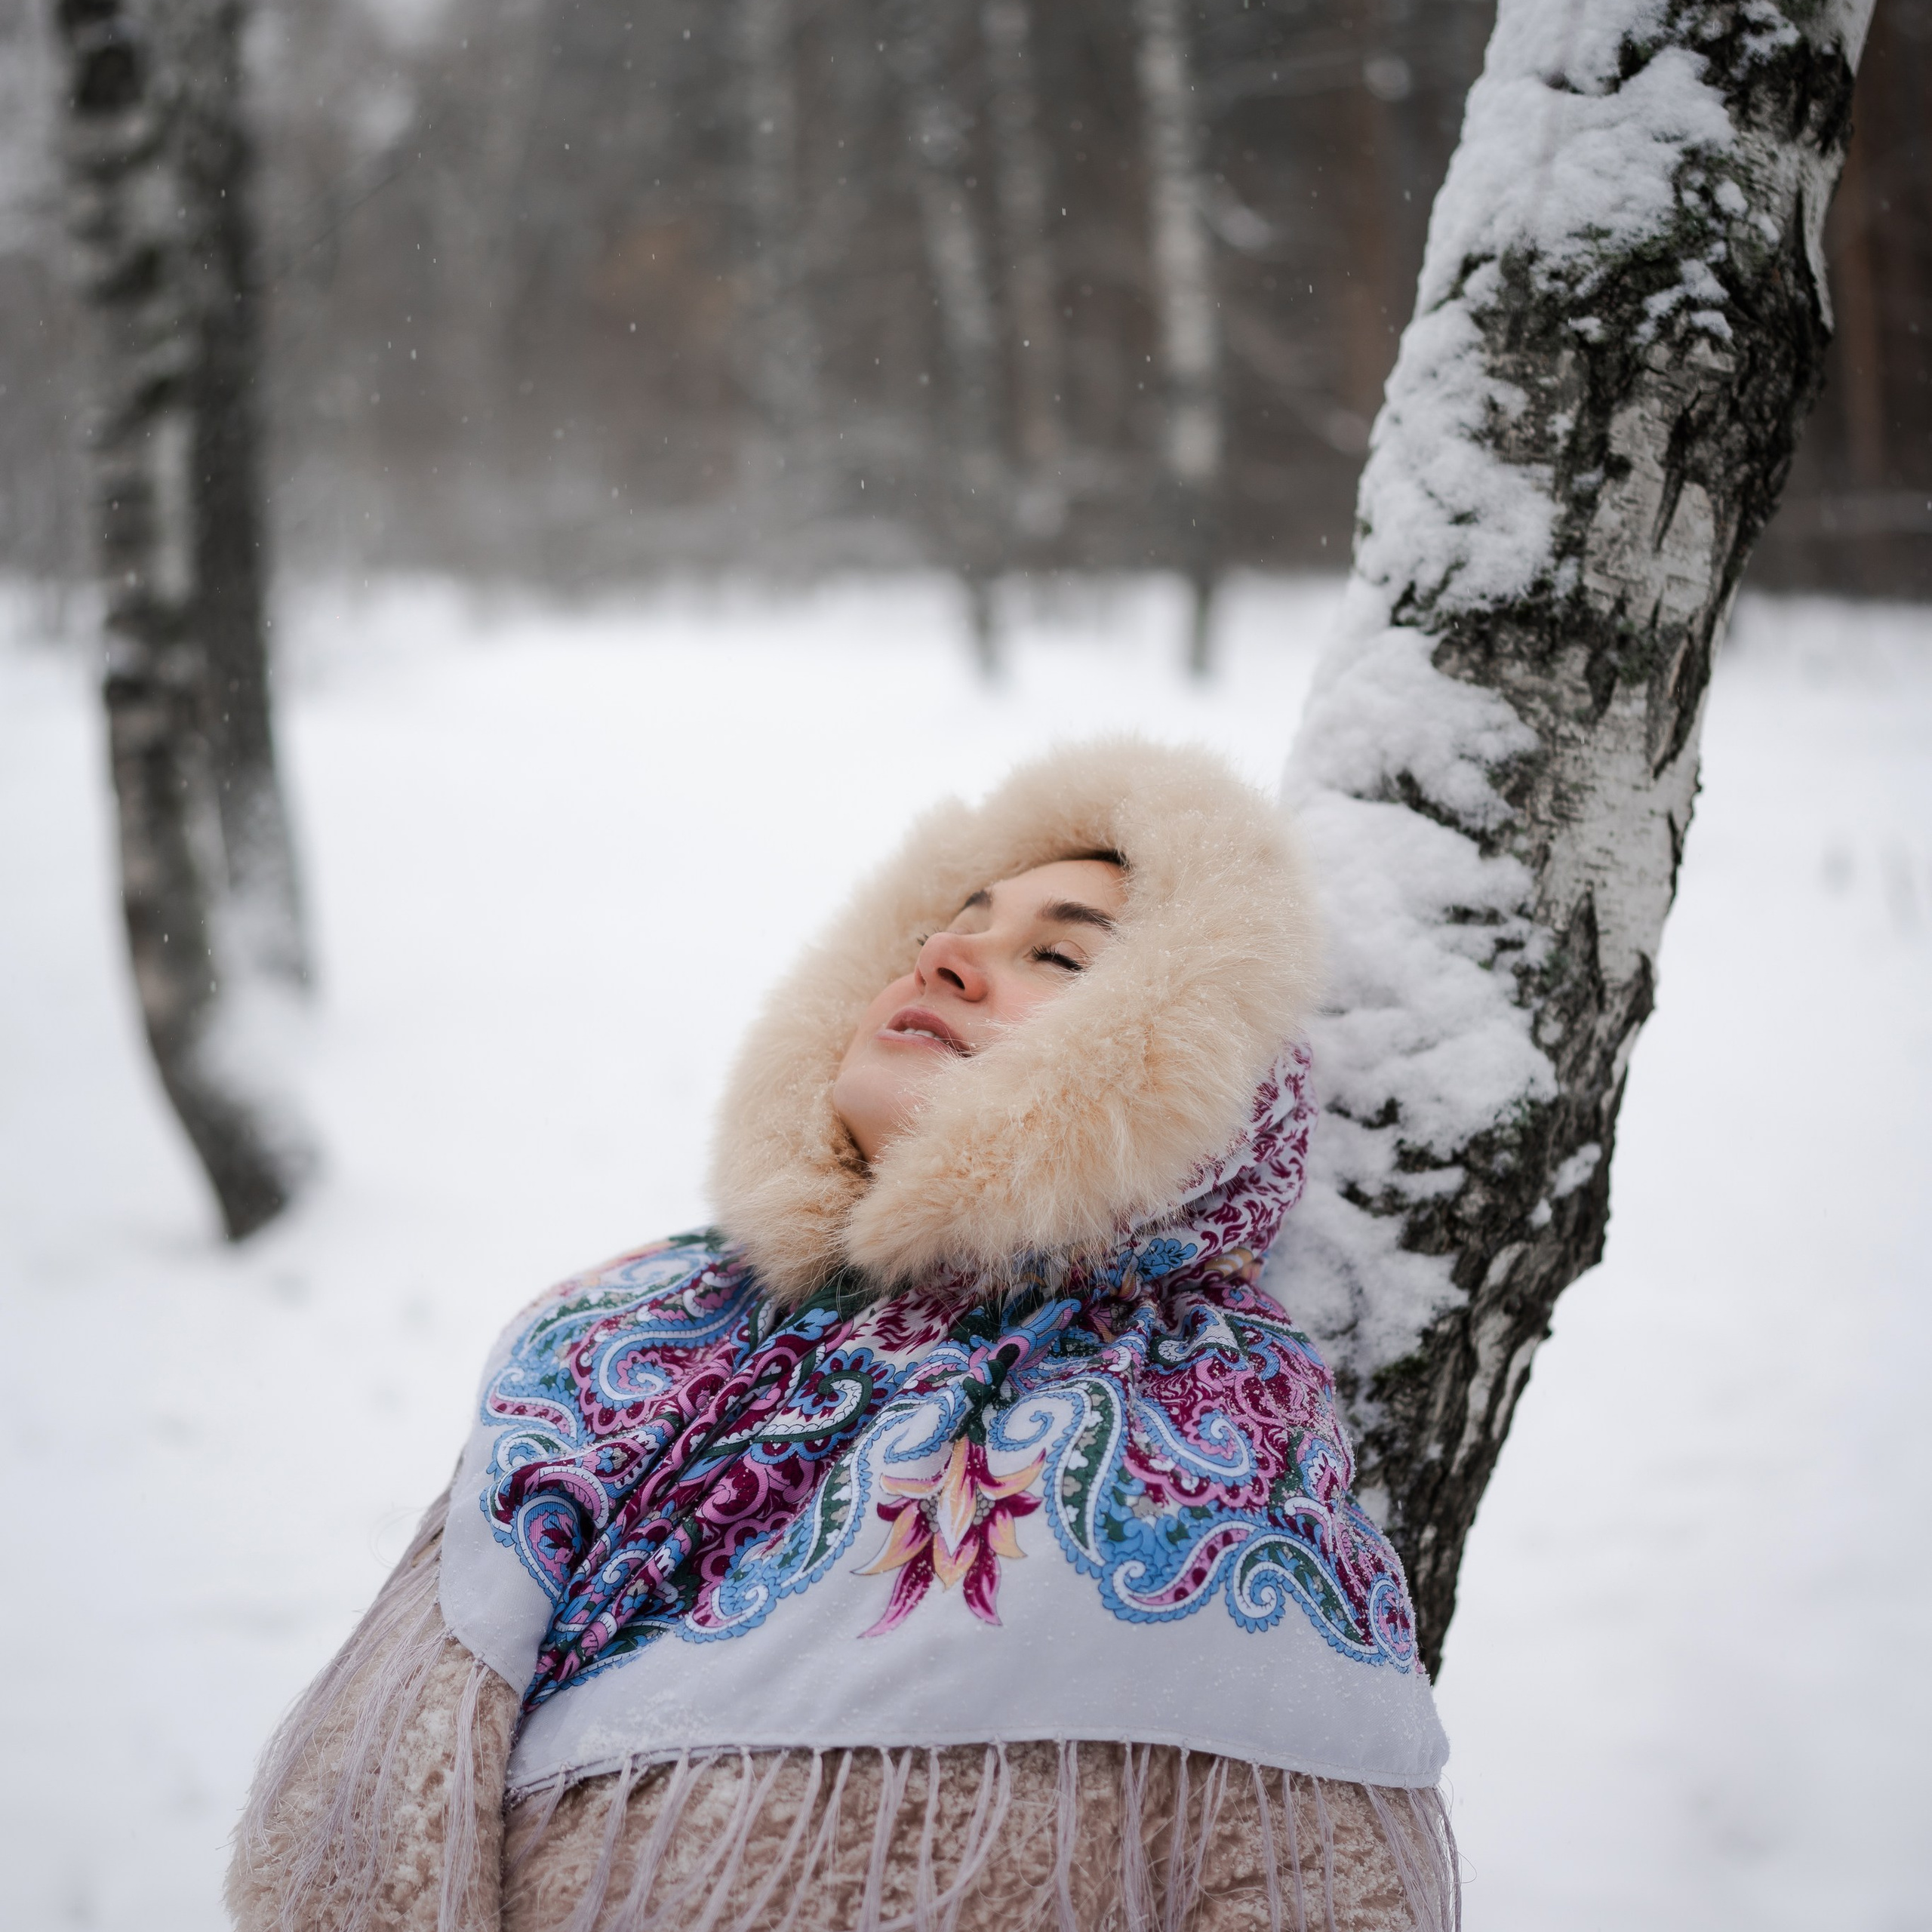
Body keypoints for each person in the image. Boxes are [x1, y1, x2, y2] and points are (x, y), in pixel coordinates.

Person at [228, 739, 1456, 1932]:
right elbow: (369, 1831)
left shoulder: (1225, 1445)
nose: (951, 955)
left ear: (1182, 1068)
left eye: (1062, 959)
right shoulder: (624, 1337)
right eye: (957, 921)